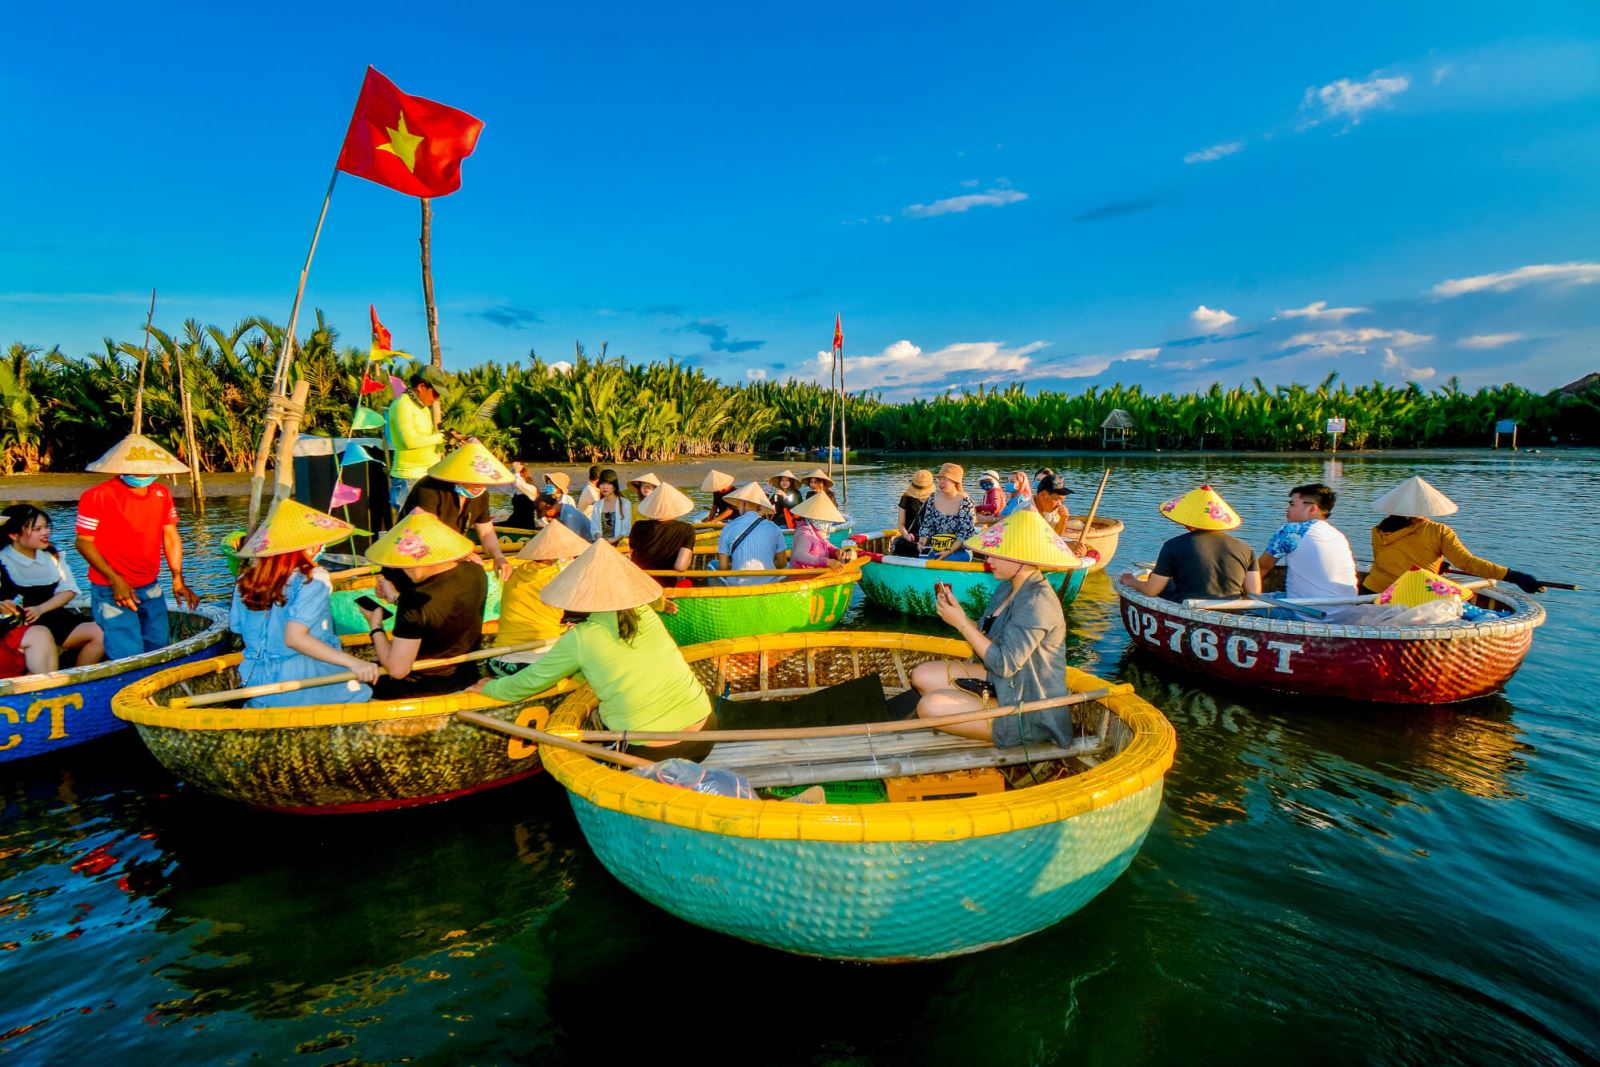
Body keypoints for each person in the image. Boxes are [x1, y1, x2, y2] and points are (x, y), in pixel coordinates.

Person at [470, 540, 717, 761]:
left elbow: (528, 682)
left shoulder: (581, 637)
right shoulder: (644, 613)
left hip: (653, 750)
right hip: (706, 730)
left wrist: (489, 688)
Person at [912, 509, 1079, 744]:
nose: (988, 560)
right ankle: (973, 714)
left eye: (996, 554)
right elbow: (983, 637)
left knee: (929, 706)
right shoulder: (1007, 588)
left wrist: (960, 623)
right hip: (1001, 683)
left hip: (1028, 706)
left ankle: (1004, 727)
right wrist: (959, 614)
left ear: (1020, 558)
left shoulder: (1037, 602)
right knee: (922, 675)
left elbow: (1005, 664)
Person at [229, 500, 378, 707]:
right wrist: (355, 663)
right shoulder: (313, 578)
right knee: (364, 698)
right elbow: (294, 638)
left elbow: (237, 627)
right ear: (308, 546)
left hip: (258, 682)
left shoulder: (244, 581)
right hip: (308, 681)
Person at [74, 433, 200, 661]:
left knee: (159, 646)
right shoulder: (97, 496)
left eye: (147, 470)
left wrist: (177, 577)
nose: (143, 475)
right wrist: (115, 580)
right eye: (137, 470)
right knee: (127, 654)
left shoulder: (161, 494)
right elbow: (83, 542)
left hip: (150, 584)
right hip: (111, 589)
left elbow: (170, 535)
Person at [361, 509, 488, 699]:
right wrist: (397, 598)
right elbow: (436, 614)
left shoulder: (415, 600)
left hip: (420, 686)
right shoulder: (476, 572)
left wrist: (375, 625)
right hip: (464, 675)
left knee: (352, 678)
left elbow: (398, 669)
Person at [1363, 476, 1544, 594]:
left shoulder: (1379, 530)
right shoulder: (1438, 531)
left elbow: (1391, 561)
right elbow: (1467, 563)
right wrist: (1514, 576)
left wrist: (1435, 564)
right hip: (1410, 595)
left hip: (1371, 591)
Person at [0, 505, 104, 670]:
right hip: (17, 622)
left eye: (47, 527)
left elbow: (69, 589)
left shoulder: (52, 555)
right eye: (37, 529)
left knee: (100, 633)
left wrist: (41, 609)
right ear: (14, 535)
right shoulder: (3, 558)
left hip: (51, 614)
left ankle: (77, 677)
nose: (45, 532)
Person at [1119, 484, 1260, 603]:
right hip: (1232, 609)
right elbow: (1254, 592)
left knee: (1156, 579)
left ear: (1187, 523)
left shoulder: (1173, 546)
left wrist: (1131, 581)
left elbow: (1151, 590)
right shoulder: (1246, 548)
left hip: (1188, 604)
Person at [401, 440, 514, 581]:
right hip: (417, 557)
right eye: (474, 481)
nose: (479, 486)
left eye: (483, 481)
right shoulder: (429, 489)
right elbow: (427, 532)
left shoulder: (481, 495)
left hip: (450, 558)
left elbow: (486, 533)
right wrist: (463, 555)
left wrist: (499, 557)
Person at [494, 519, 590, 661]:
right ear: (562, 557)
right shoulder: (558, 578)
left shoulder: (515, 573)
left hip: (500, 657)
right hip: (539, 657)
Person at [1257, 482, 1359, 600]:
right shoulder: (1338, 535)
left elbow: (1261, 567)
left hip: (1306, 612)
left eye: (1292, 504)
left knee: (1243, 603)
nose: (1287, 509)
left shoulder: (1292, 531)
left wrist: (1242, 595)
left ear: (1312, 508)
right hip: (1344, 608)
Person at [384, 365, 455, 513]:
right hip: (409, 480)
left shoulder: (423, 408)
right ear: (422, 386)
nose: (436, 399)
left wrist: (447, 438)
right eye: (435, 393)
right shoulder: (402, 405)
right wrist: (441, 437)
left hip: (427, 476)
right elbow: (408, 441)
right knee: (410, 533)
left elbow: (427, 440)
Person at [715, 482, 786, 585]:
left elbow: (723, 567)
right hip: (768, 584)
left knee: (712, 565)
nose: (737, 508)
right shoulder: (773, 527)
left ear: (743, 503)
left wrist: (735, 566)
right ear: (759, 507)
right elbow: (782, 563)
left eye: (738, 504)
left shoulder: (728, 528)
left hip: (739, 586)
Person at [629, 482, 700, 584]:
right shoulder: (686, 529)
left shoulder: (638, 526)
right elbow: (680, 566)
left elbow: (633, 555)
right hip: (668, 582)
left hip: (640, 581)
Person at [918, 463, 978, 561]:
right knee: (922, 559)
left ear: (955, 481)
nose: (940, 482)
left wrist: (949, 551)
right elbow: (927, 526)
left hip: (959, 549)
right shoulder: (932, 498)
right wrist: (921, 543)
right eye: (939, 479)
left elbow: (965, 533)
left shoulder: (965, 502)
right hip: (936, 547)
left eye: (944, 479)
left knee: (948, 560)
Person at [788, 492, 852, 570]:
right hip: (804, 577)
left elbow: (827, 545)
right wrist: (827, 562)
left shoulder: (816, 530)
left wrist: (836, 550)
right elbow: (799, 555)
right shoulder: (805, 534)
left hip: (817, 574)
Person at [893, 469, 935, 557]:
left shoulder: (936, 499)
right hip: (911, 538)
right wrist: (906, 534)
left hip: (930, 539)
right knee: (901, 544)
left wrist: (925, 539)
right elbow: (901, 524)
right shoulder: (906, 498)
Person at [541, 472, 594, 540]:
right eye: (548, 484)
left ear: (558, 487)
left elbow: (572, 519)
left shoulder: (568, 500)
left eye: (551, 484)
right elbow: (542, 520)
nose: (548, 486)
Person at [589, 469, 633, 544]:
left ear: (614, 486)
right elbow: (594, 528)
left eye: (608, 484)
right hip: (601, 544)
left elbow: (626, 529)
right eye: (602, 484)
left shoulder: (625, 503)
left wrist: (614, 540)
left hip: (619, 544)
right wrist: (599, 537)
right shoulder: (597, 505)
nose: (605, 487)